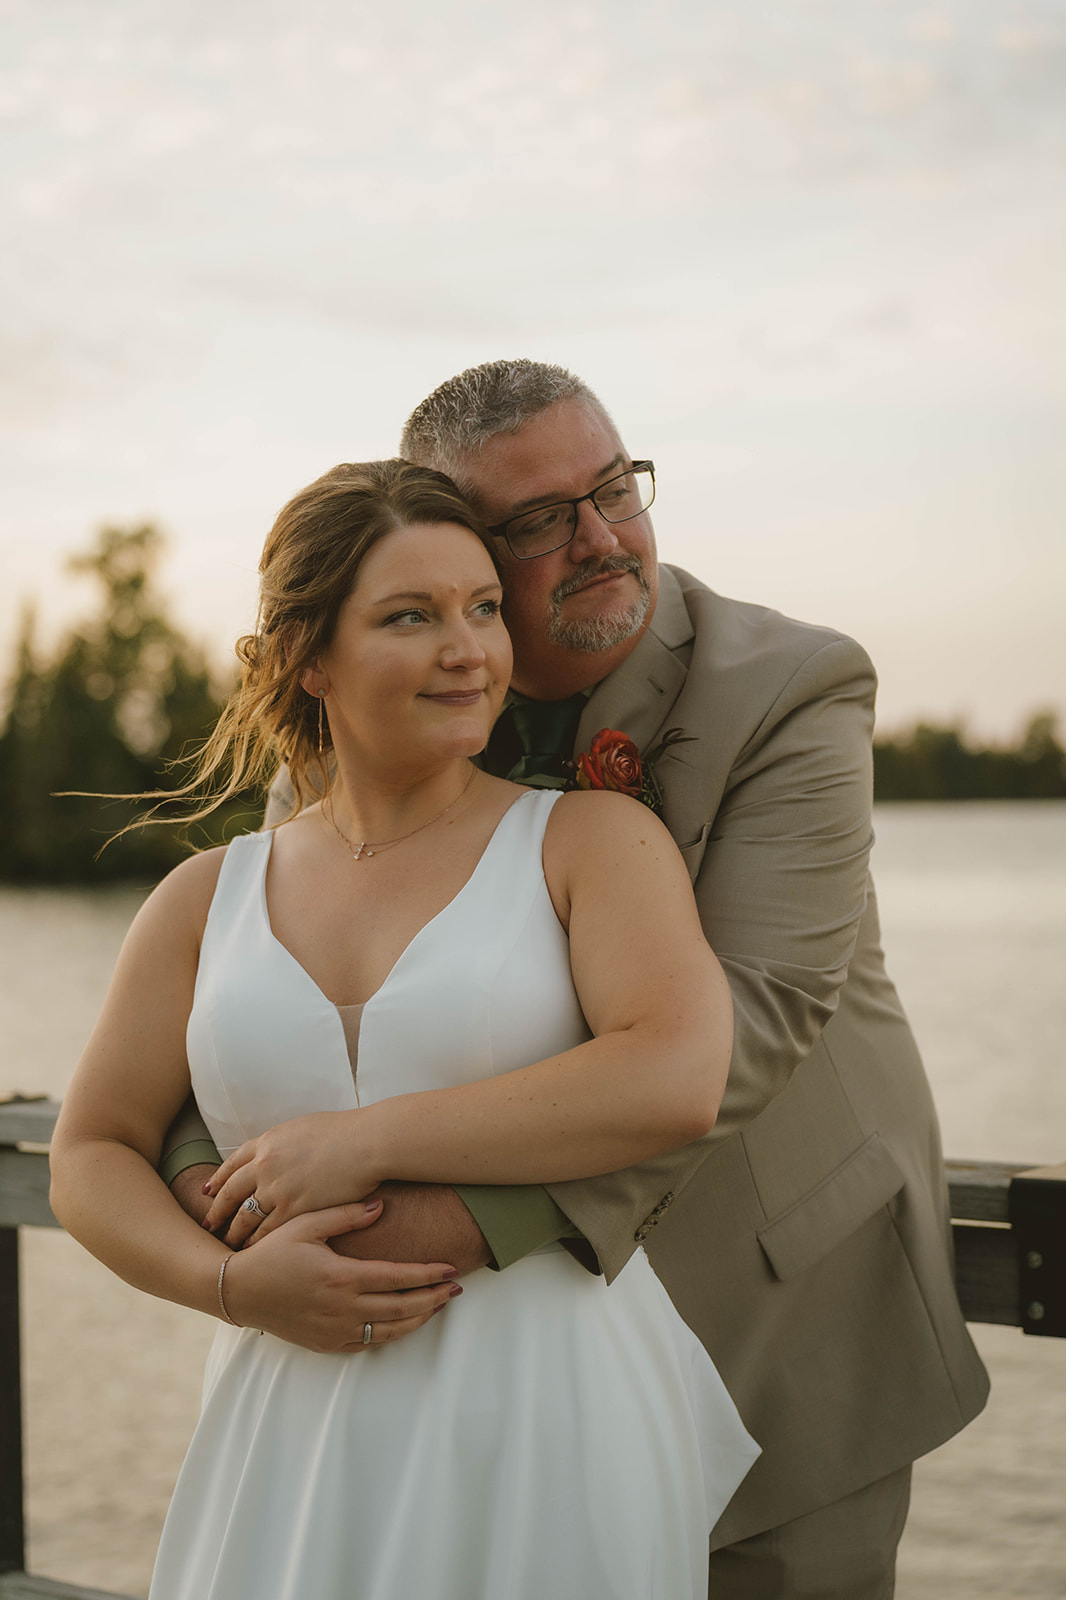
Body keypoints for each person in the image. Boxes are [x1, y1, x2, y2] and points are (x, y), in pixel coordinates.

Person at [163, 362, 989, 1595]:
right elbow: (249, 1001)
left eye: (614, 488)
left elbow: (740, 1034)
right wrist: (223, 1217)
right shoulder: (371, 722)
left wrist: (393, 1235)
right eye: (543, 519)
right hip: (459, 1389)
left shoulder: (788, 686)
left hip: (777, 1311)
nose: (601, 537)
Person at [49, 459, 759, 1600]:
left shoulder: (589, 843)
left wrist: (364, 1139)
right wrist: (228, 1285)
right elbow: (90, 1152)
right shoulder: (203, 897)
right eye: (411, 616)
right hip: (286, 1407)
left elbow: (674, 1075)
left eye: (482, 608)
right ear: (308, 656)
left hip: (546, 1406)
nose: (467, 649)